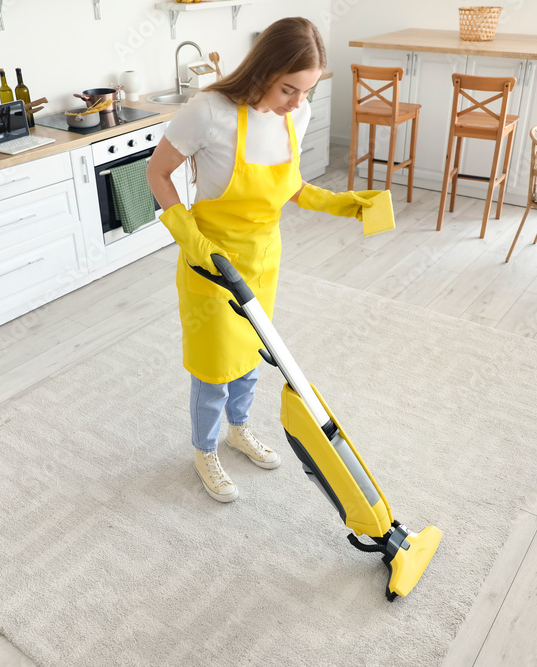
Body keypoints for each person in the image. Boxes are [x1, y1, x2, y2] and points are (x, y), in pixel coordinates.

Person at [146, 16, 378, 503]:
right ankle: (204, 449)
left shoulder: (296, 113)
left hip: (262, 259)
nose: (298, 103)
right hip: (210, 263)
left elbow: (286, 185)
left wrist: (343, 203)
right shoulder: (208, 112)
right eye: (289, 89)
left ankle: (238, 429)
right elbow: (158, 173)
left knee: (252, 356)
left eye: (306, 91)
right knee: (212, 368)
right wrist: (191, 240)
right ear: (264, 70)